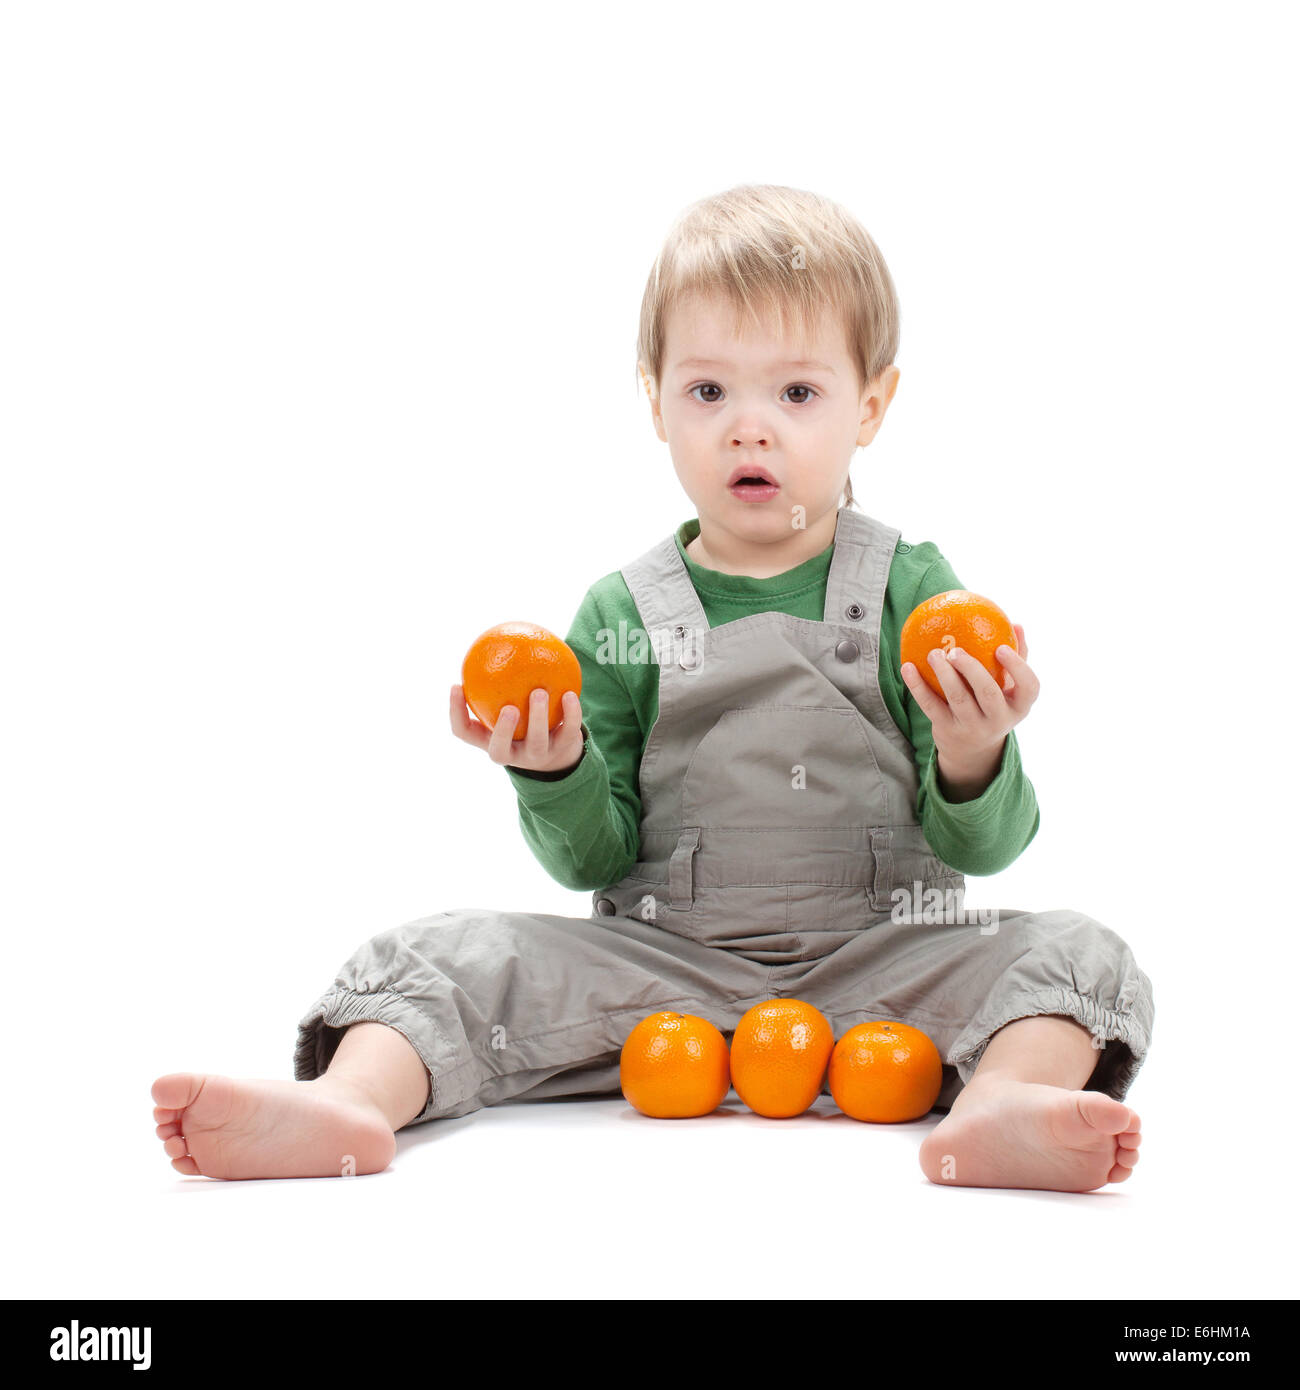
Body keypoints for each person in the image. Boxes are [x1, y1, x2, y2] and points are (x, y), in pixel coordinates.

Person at [152, 183, 1152, 1191]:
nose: (747, 430)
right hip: (664, 974)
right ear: (656, 399)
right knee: (444, 952)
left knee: (1078, 951)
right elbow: (593, 855)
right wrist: (553, 770)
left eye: (796, 394)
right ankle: (345, 1106)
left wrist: (976, 751)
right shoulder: (620, 612)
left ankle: (999, 1106)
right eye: (708, 392)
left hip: (890, 965)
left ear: (872, 406)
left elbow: (981, 846)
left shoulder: (913, 591)